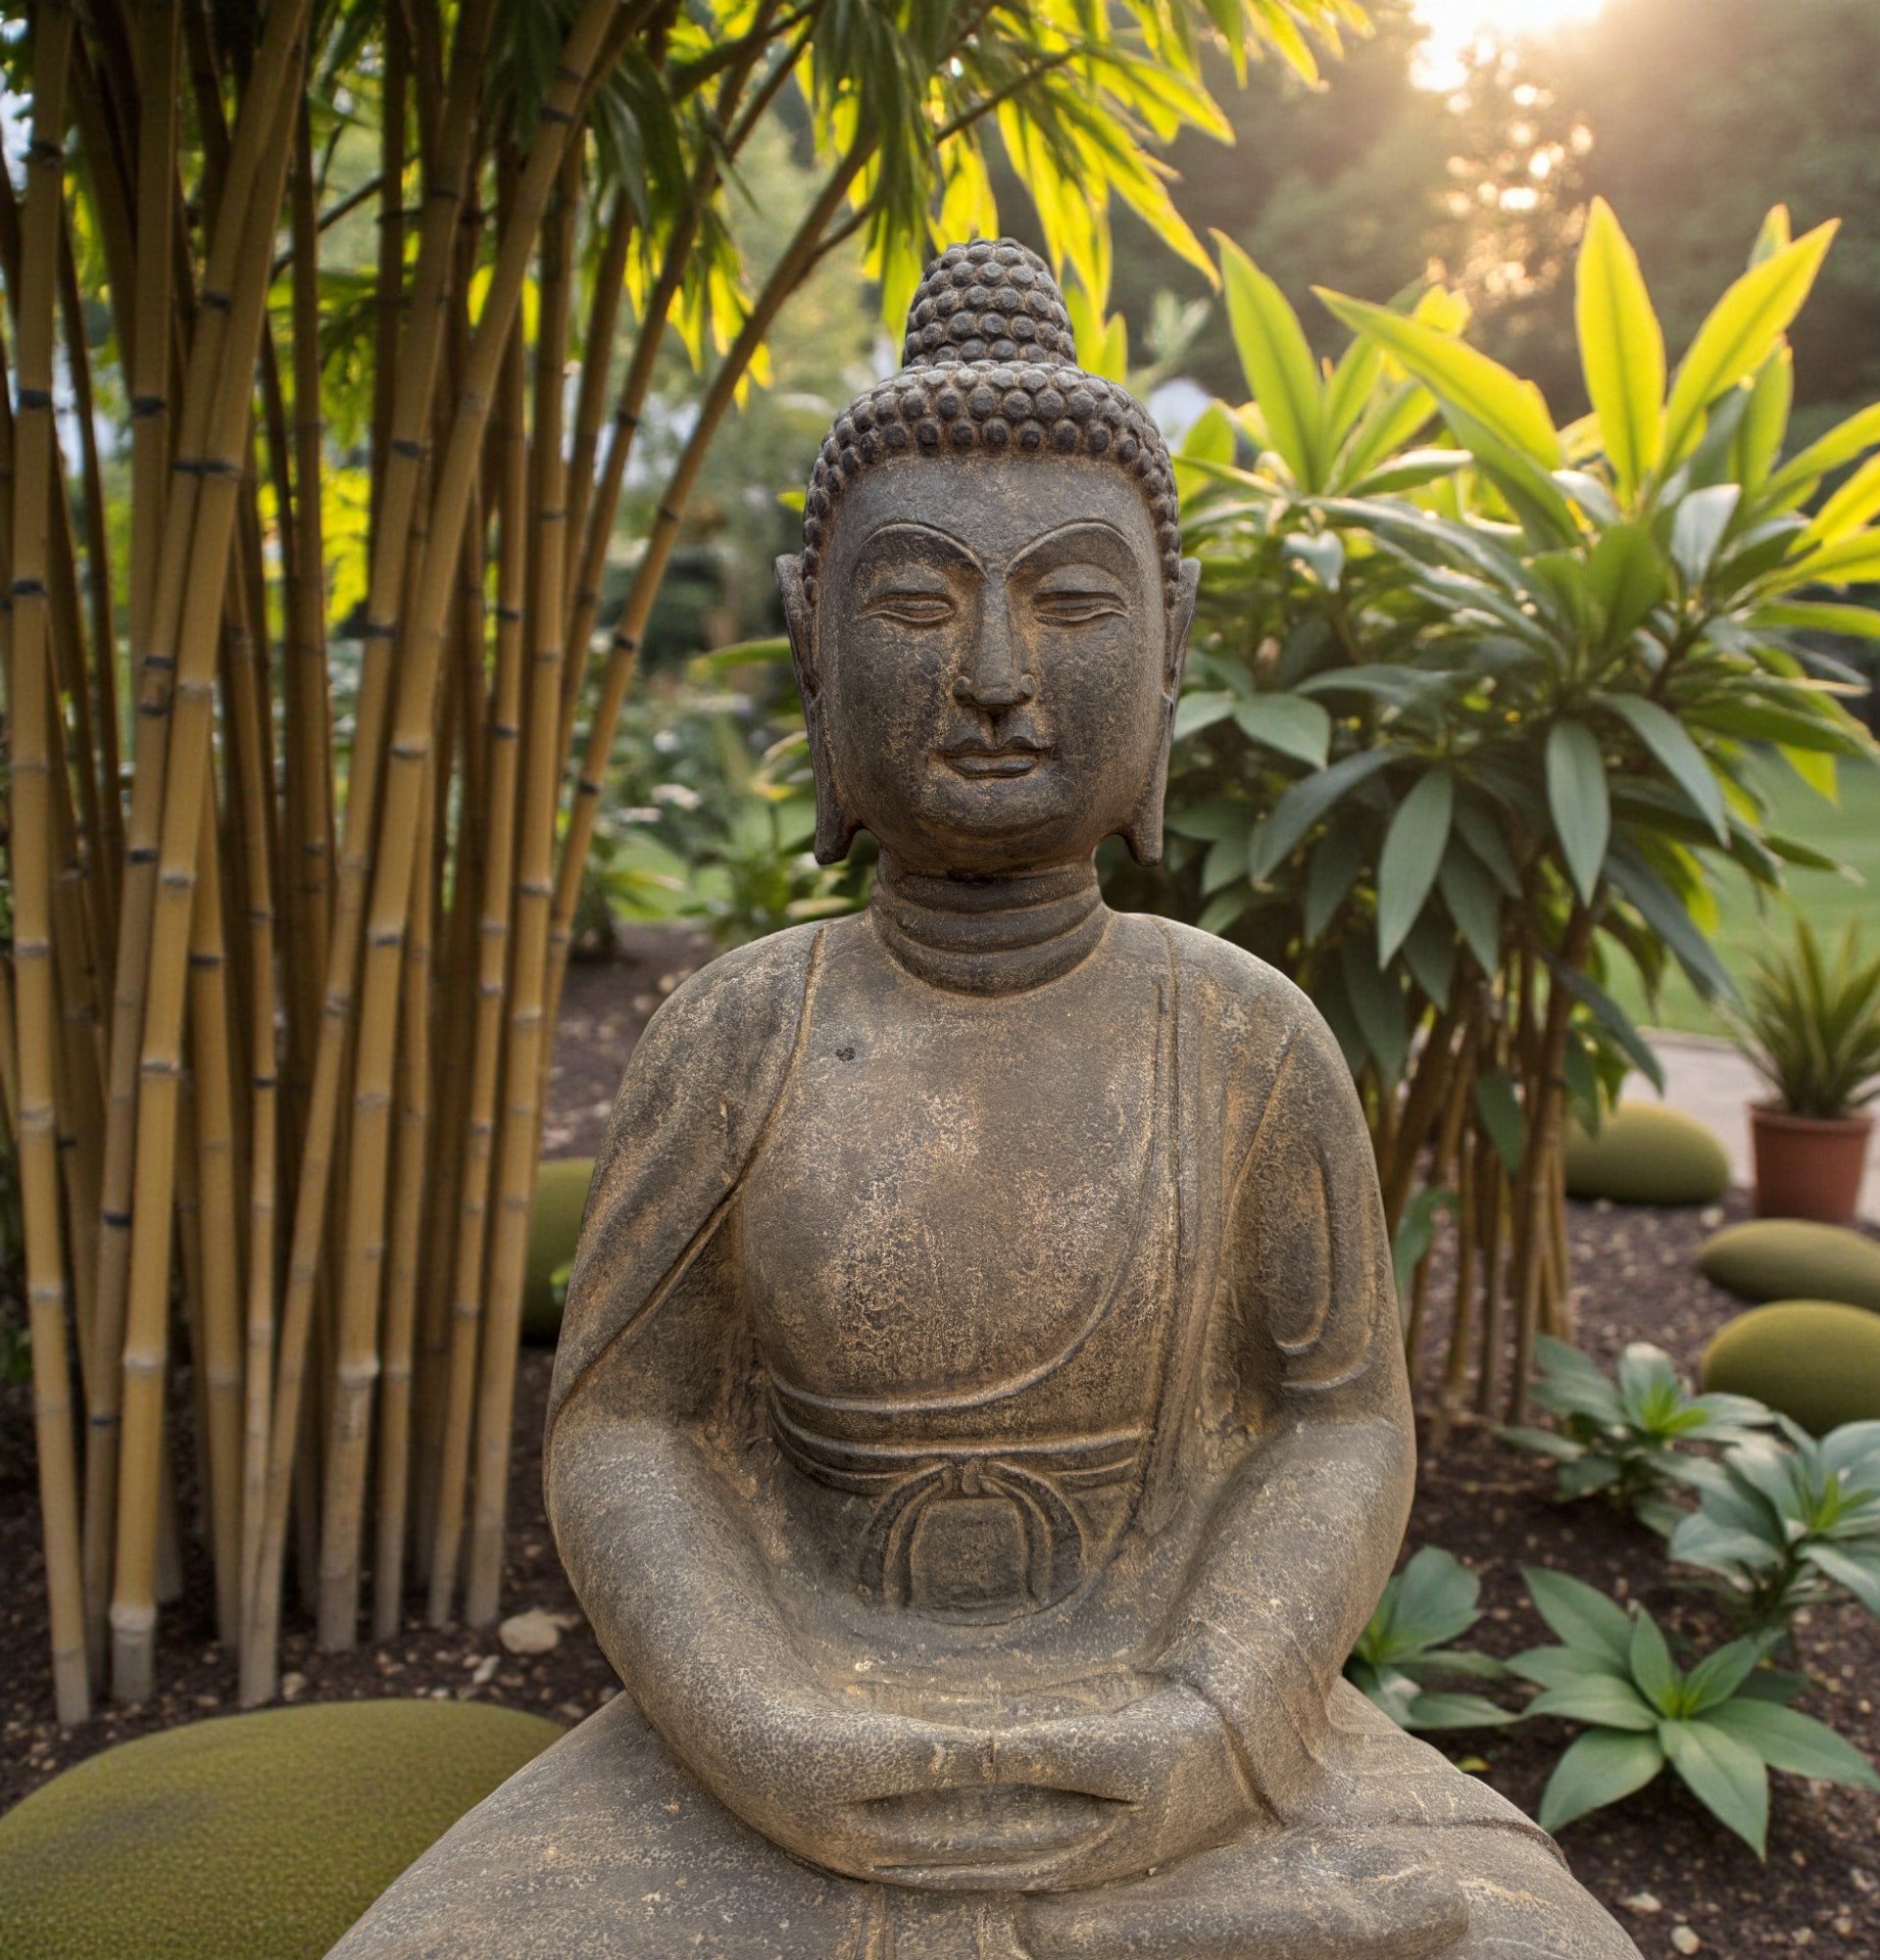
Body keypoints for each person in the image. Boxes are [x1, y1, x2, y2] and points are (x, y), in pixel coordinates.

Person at [330, 241, 1637, 1960]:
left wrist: (1215, 1716)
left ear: (1170, 656)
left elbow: (1336, 1425)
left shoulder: (1241, 1037)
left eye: (1078, 605)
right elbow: (628, 1429)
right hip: (788, 1736)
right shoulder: (742, 1033)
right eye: (918, 606)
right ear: (816, 648)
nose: (1001, 675)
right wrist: (755, 1730)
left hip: (1172, 1722)